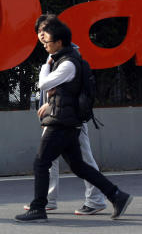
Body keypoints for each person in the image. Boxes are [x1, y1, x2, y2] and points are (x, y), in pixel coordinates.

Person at [15, 18, 134, 222]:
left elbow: (44, 84)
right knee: (79, 166)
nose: (44, 42)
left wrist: (47, 63)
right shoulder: (66, 59)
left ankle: (38, 207)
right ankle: (117, 196)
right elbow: (64, 92)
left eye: (47, 39)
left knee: (41, 162)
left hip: (61, 122)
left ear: (59, 41)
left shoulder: (68, 63)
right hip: (67, 121)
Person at [23, 14, 108, 215]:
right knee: (48, 160)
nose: (41, 35)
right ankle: (47, 199)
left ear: (57, 34)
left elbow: (68, 87)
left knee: (83, 160)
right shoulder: (51, 54)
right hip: (55, 116)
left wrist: (51, 106)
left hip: (70, 118)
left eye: (45, 29)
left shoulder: (69, 53)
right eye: (39, 31)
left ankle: (96, 199)